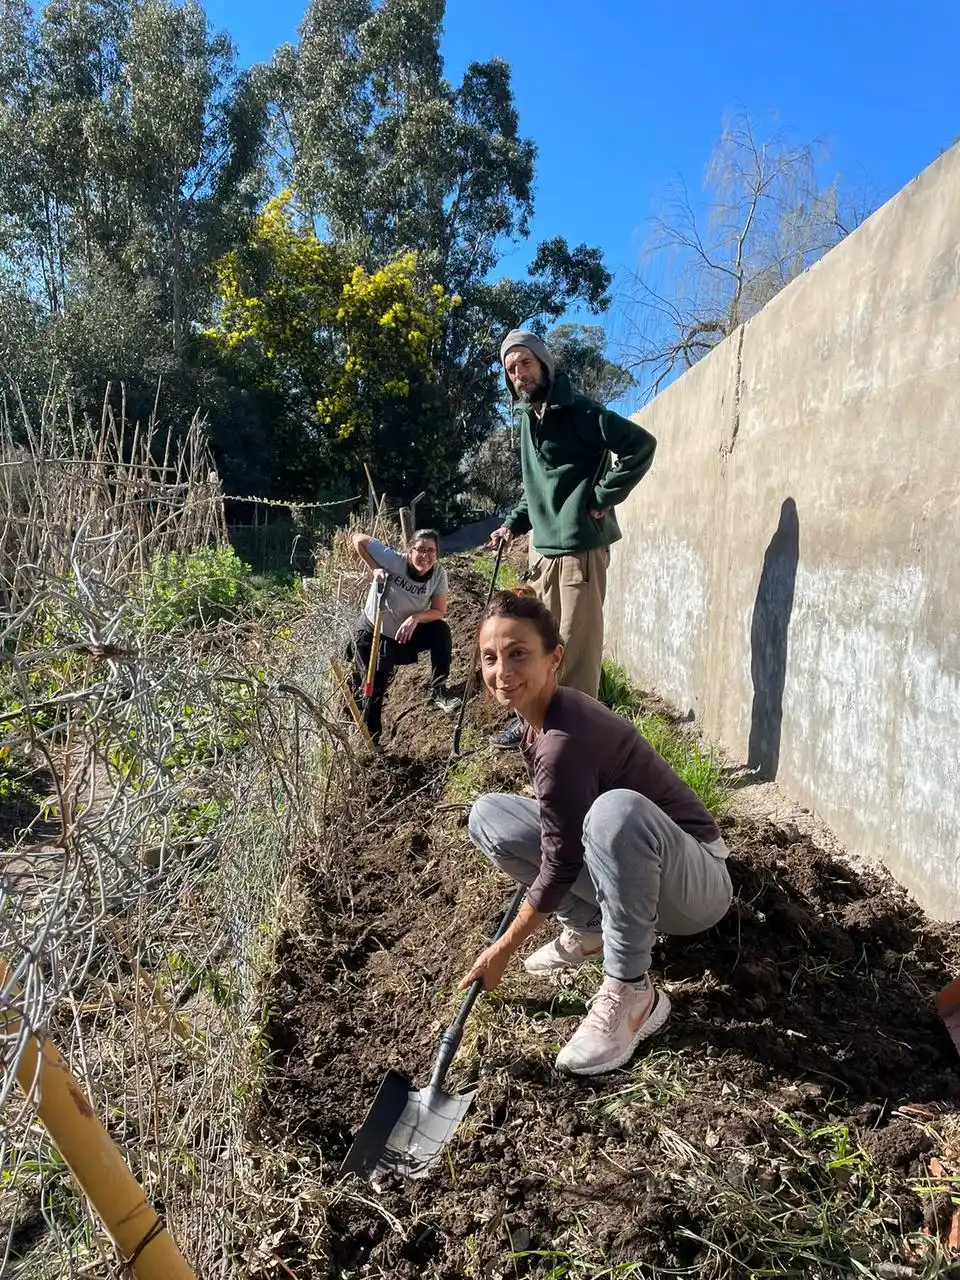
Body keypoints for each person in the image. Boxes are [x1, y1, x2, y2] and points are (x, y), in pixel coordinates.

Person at [459, 590, 732, 1077]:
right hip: (641, 863)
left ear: (555, 657)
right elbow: (558, 834)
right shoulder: (536, 725)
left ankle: (632, 991)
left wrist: (502, 949)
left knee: (614, 813)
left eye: (518, 653)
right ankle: (591, 929)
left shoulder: (564, 741)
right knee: (489, 815)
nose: (503, 672)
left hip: (697, 887)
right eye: (490, 658)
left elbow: (562, 861)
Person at [489, 329, 657, 749]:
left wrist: (602, 497)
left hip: (580, 550)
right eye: (511, 370)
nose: (519, 374)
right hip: (543, 553)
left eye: (525, 363)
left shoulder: (580, 410)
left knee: (576, 654)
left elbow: (640, 445)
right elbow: (537, 491)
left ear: (544, 364)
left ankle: (577, 742)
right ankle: (536, 727)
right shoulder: (528, 421)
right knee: (543, 648)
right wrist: (512, 525)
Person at [346, 527, 459, 744]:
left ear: (437, 554)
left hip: (404, 634)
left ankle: (439, 689)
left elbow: (438, 611)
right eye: (420, 550)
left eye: (431, 551)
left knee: (440, 630)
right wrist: (374, 569)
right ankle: (372, 740)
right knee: (374, 685)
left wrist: (416, 618)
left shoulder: (438, 575)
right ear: (410, 551)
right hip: (375, 633)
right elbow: (357, 539)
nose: (425, 556)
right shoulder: (392, 560)